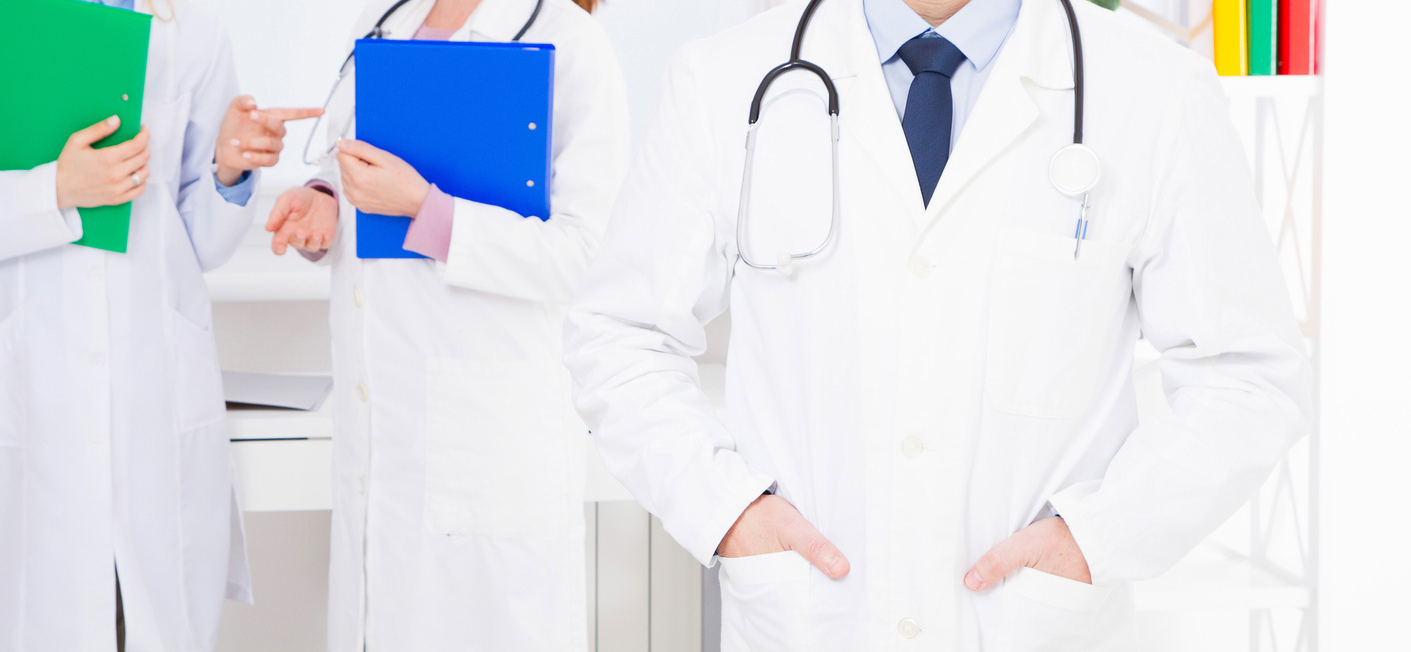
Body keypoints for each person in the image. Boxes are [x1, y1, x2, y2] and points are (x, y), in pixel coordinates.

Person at [564, 0, 1312, 649]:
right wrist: (727, 512)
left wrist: (1097, 537)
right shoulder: (726, 79)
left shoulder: (1153, 92)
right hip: (811, 620)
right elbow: (620, 336)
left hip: (1035, 626)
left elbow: (1248, 376)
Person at [0, 0, 320, 649]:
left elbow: (198, 243)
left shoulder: (189, 29)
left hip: (151, 396)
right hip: (27, 399)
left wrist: (229, 170)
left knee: (148, 616)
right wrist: (51, 190)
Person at [263, 0, 628, 648]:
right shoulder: (381, 22)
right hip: (381, 424)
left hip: (486, 441)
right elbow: (353, 172)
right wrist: (321, 202)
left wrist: (427, 210)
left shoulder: (570, 43)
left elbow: (586, 256)